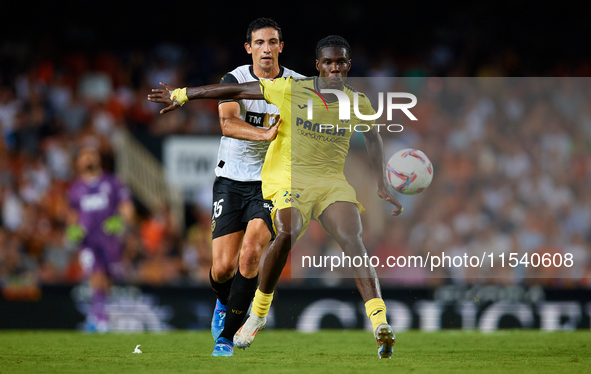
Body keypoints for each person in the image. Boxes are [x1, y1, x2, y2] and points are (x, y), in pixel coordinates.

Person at [148, 35, 402, 359]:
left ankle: (380, 323)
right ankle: (258, 312)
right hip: (286, 179)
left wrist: (381, 182)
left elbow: (374, 137)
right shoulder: (293, 90)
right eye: (328, 63)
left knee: (354, 239)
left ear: (349, 66)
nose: (335, 68)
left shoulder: (358, 101)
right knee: (274, 239)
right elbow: (235, 91)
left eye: (341, 63)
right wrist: (183, 94)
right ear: (318, 66)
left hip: (329, 182)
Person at [158, 18, 304, 357]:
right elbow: (227, 122)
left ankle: (226, 339)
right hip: (231, 179)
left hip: (272, 181)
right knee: (223, 268)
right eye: (259, 42)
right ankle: (225, 303)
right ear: (248, 48)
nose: (266, 48)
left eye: (272, 42)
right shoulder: (234, 79)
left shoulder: (298, 84)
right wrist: (265, 134)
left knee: (251, 252)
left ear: (281, 47)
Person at [66, 146, 135, 332]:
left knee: (106, 278)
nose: (88, 158)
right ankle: (100, 319)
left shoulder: (112, 182)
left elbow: (127, 208)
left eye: (91, 154)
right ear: (78, 162)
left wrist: (119, 221)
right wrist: (72, 230)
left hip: (109, 240)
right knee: (96, 274)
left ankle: (98, 314)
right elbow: (72, 214)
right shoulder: (76, 188)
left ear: (98, 159)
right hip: (88, 240)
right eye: (84, 155)